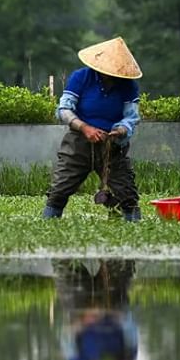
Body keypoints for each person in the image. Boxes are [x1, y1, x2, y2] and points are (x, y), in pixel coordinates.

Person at [43, 38, 143, 222]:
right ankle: (48, 222)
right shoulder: (81, 77)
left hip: (112, 145)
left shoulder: (128, 86)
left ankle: (134, 224)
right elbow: (64, 110)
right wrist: (84, 127)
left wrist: (121, 129)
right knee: (59, 189)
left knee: (127, 193)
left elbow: (132, 116)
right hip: (79, 142)